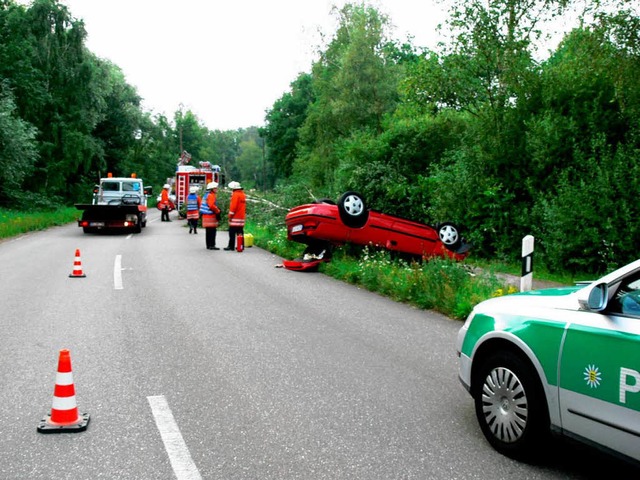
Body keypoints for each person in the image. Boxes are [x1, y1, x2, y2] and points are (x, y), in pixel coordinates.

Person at [224, 181, 246, 251]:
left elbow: (233, 207)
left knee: (232, 232)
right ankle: (241, 245)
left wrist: (230, 216)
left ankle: (231, 246)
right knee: (240, 232)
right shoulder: (243, 194)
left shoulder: (235, 195)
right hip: (241, 217)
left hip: (235, 217)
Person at [199, 181, 221, 250]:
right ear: (212, 189)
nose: (216, 189)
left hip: (205, 216)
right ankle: (212, 245)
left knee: (208, 231)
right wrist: (218, 210)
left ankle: (208, 245)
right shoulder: (211, 195)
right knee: (212, 231)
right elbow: (211, 205)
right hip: (210, 216)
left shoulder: (206, 195)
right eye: (215, 188)